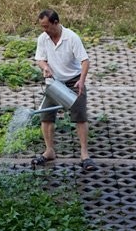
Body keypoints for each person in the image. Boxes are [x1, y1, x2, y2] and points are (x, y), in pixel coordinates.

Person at [32, 9, 96, 171]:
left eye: (46, 26)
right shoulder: (43, 38)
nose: (44, 30)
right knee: (46, 117)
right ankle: (49, 151)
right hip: (53, 82)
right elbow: (39, 58)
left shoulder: (71, 37)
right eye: (42, 27)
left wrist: (81, 81)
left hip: (74, 81)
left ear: (56, 23)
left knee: (80, 117)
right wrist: (45, 67)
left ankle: (84, 155)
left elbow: (85, 61)